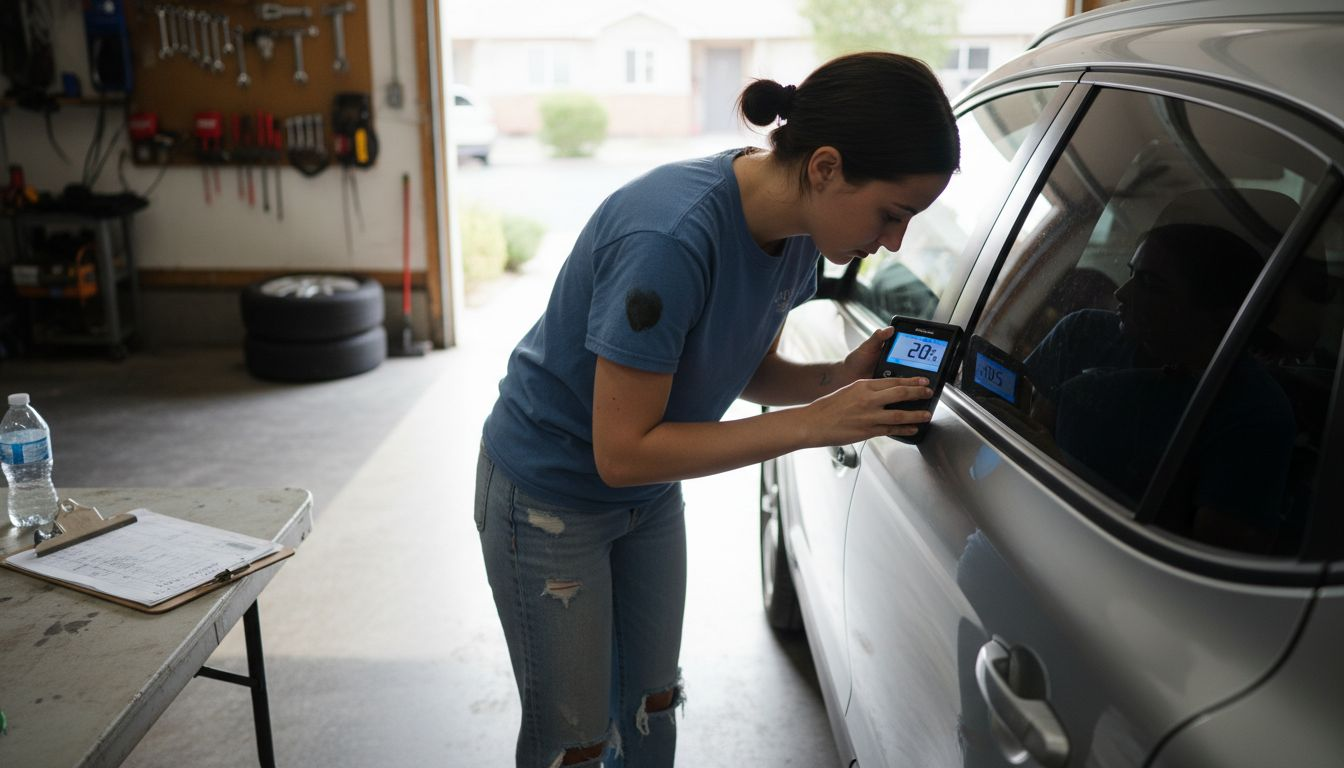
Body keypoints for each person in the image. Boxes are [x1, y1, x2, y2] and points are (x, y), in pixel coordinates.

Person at [475, 52, 960, 768]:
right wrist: (812, 425)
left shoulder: (798, 235)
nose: (894, 242)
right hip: (551, 496)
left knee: (651, 707)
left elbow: (736, 362)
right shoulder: (669, 239)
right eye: (892, 214)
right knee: (574, 745)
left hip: (645, 495)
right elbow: (623, 449)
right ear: (824, 166)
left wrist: (832, 378)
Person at [1020, 222, 1295, 547]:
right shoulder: (1081, 333)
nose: (1122, 293)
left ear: (1216, 314)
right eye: (1132, 273)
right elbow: (1030, 434)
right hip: (1027, 524)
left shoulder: (1254, 412)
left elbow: (1207, 554)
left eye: (1150, 284)